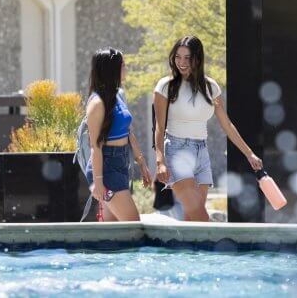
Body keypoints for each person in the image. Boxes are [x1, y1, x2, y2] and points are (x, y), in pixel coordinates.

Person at [154, 35, 263, 221]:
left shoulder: (211, 87)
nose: (181, 62)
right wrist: (160, 161)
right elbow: (159, 126)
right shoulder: (166, 86)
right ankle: (219, 249)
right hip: (177, 151)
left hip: (201, 152)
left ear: (198, 58)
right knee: (200, 216)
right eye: (177, 57)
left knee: (193, 218)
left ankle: (183, 251)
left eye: (187, 57)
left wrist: (249, 153)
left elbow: (227, 124)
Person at [85, 48, 152, 221]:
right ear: (112, 69)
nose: (126, 68)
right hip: (106, 167)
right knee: (133, 226)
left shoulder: (118, 95)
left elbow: (128, 131)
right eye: (123, 65)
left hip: (121, 162)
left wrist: (141, 162)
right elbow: (95, 147)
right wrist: (98, 183)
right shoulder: (97, 103)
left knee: (114, 233)